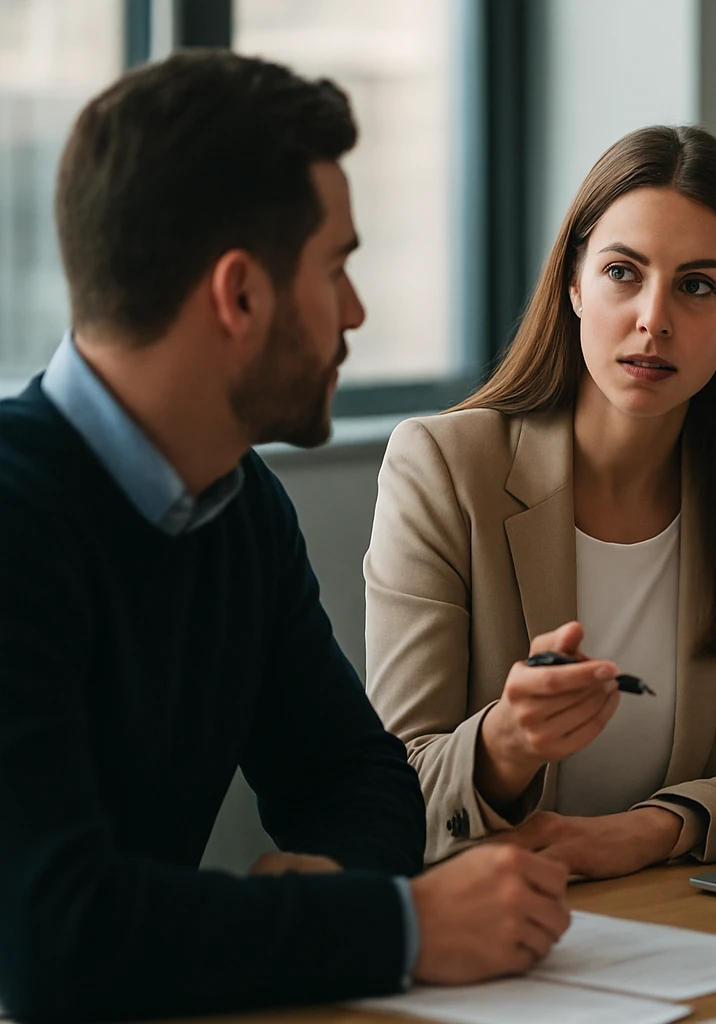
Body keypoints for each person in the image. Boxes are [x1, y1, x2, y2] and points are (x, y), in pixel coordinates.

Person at [0, 52, 570, 1023]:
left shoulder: (238, 504)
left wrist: (331, 881)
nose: (355, 310)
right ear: (241, 295)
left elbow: (358, 776)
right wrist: (400, 926)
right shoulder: (14, 520)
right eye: (337, 266)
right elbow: (52, 938)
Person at [364, 125, 716, 872]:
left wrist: (650, 832)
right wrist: (507, 741)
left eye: (697, 286)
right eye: (622, 273)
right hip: (480, 918)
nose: (654, 319)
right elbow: (392, 792)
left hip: (667, 918)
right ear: (574, 283)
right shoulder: (442, 466)